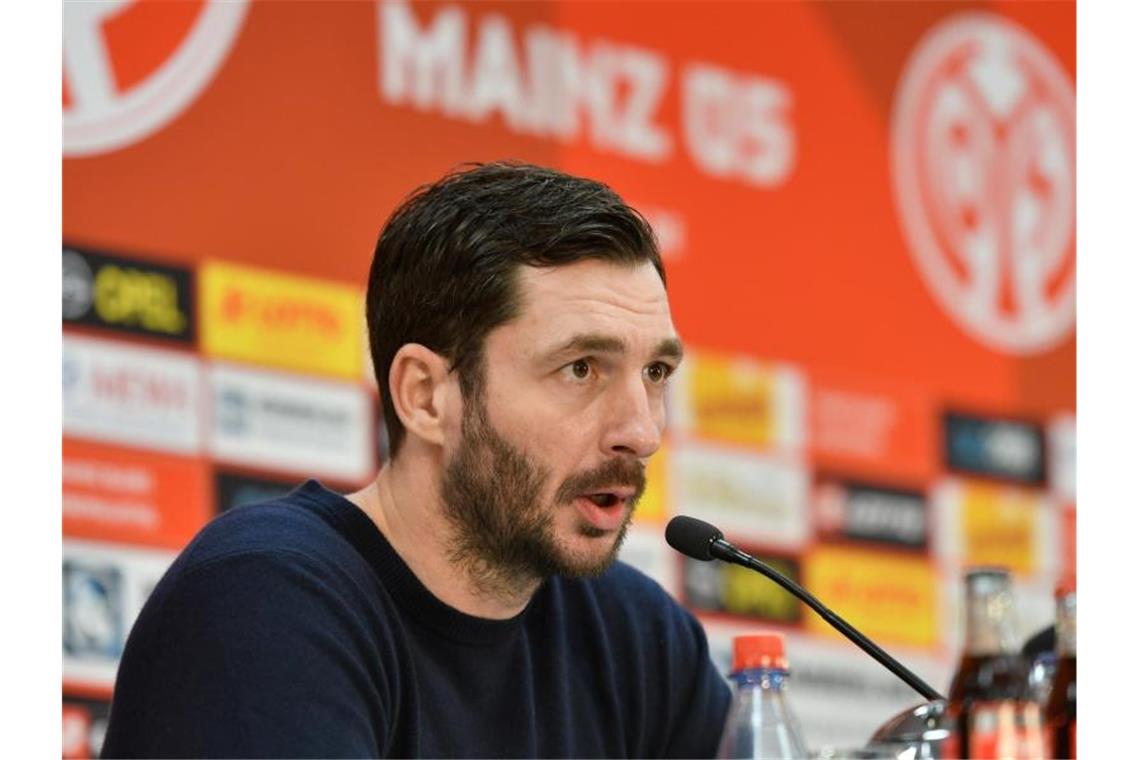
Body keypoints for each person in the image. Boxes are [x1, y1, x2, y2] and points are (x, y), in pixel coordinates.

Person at [100, 161, 732, 758]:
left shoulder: (638, 637)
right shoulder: (262, 603)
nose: (642, 431)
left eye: (655, 371)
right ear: (425, 396)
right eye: (580, 369)